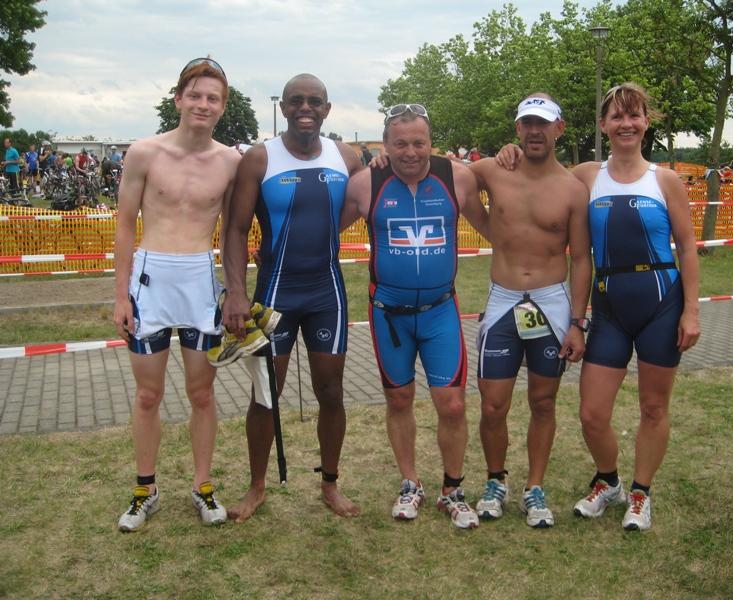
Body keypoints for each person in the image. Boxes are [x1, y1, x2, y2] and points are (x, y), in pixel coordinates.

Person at [222, 73, 363, 522]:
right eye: (297, 101)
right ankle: (256, 487)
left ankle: (330, 484)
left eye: (314, 101)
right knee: (266, 394)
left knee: (331, 392)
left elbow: (366, 200)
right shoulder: (260, 158)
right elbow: (235, 230)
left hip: (327, 292)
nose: (306, 108)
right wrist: (236, 292)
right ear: (283, 108)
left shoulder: (347, 156)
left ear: (327, 108)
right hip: (275, 292)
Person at [342, 103, 490, 528]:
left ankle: (452, 489)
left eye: (419, 143)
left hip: (440, 311)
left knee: (453, 404)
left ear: (431, 143)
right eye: (401, 144)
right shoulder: (366, 183)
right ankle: (410, 483)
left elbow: (495, 227)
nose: (411, 152)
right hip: (389, 315)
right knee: (399, 398)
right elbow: (322, 231)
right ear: (385, 146)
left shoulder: (456, 177)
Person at [113, 57, 241, 532]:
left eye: (213, 98)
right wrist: (120, 295)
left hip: (199, 283)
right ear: (179, 99)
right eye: (196, 95)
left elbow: (232, 232)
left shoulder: (230, 162)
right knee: (148, 394)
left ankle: (203, 487)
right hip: (151, 282)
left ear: (222, 107)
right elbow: (125, 226)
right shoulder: (145, 152)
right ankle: (144, 490)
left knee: (201, 393)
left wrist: (234, 292)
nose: (203, 104)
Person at [569, 83, 700, 531]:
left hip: (661, 304)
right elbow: (538, 174)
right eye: (617, 116)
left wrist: (691, 311)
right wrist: (509, 153)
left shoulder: (664, 180)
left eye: (634, 115)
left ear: (646, 122)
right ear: (603, 125)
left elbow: (688, 247)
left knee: (653, 408)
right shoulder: (586, 176)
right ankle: (608, 481)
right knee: (591, 413)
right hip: (609, 307)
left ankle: (641, 493)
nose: (626, 123)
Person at [472, 94, 592, 528]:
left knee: (543, 402)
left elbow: (582, 259)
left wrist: (577, 323)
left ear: (560, 128)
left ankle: (534, 487)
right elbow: (445, 175)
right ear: (517, 128)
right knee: (492, 406)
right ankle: (495, 481)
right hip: (503, 300)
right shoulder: (492, 170)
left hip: (551, 303)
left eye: (543, 123)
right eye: (527, 123)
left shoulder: (573, 189)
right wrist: (378, 161)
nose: (535, 131)